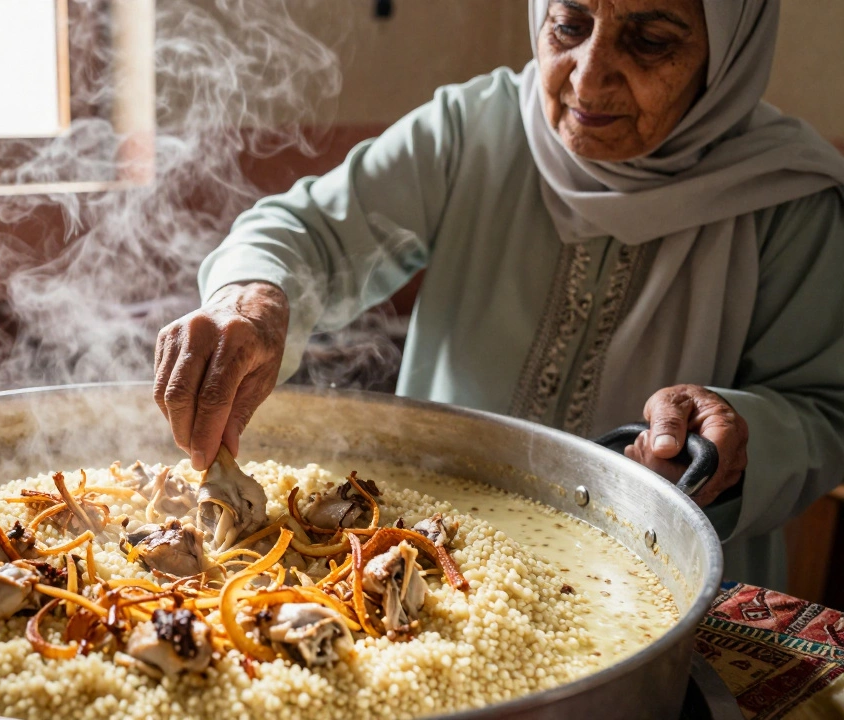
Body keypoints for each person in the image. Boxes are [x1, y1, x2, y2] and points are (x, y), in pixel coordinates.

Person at [153, 0, 844, 589]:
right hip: (425, 556)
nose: (590, 73)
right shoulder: (473, 130)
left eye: (652, 40)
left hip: (661, 584)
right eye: (570, 23)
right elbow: (308, 233)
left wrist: (734, 429)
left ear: (728, 51)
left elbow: (825, 413)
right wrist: (251, 298)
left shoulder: (789, 198)